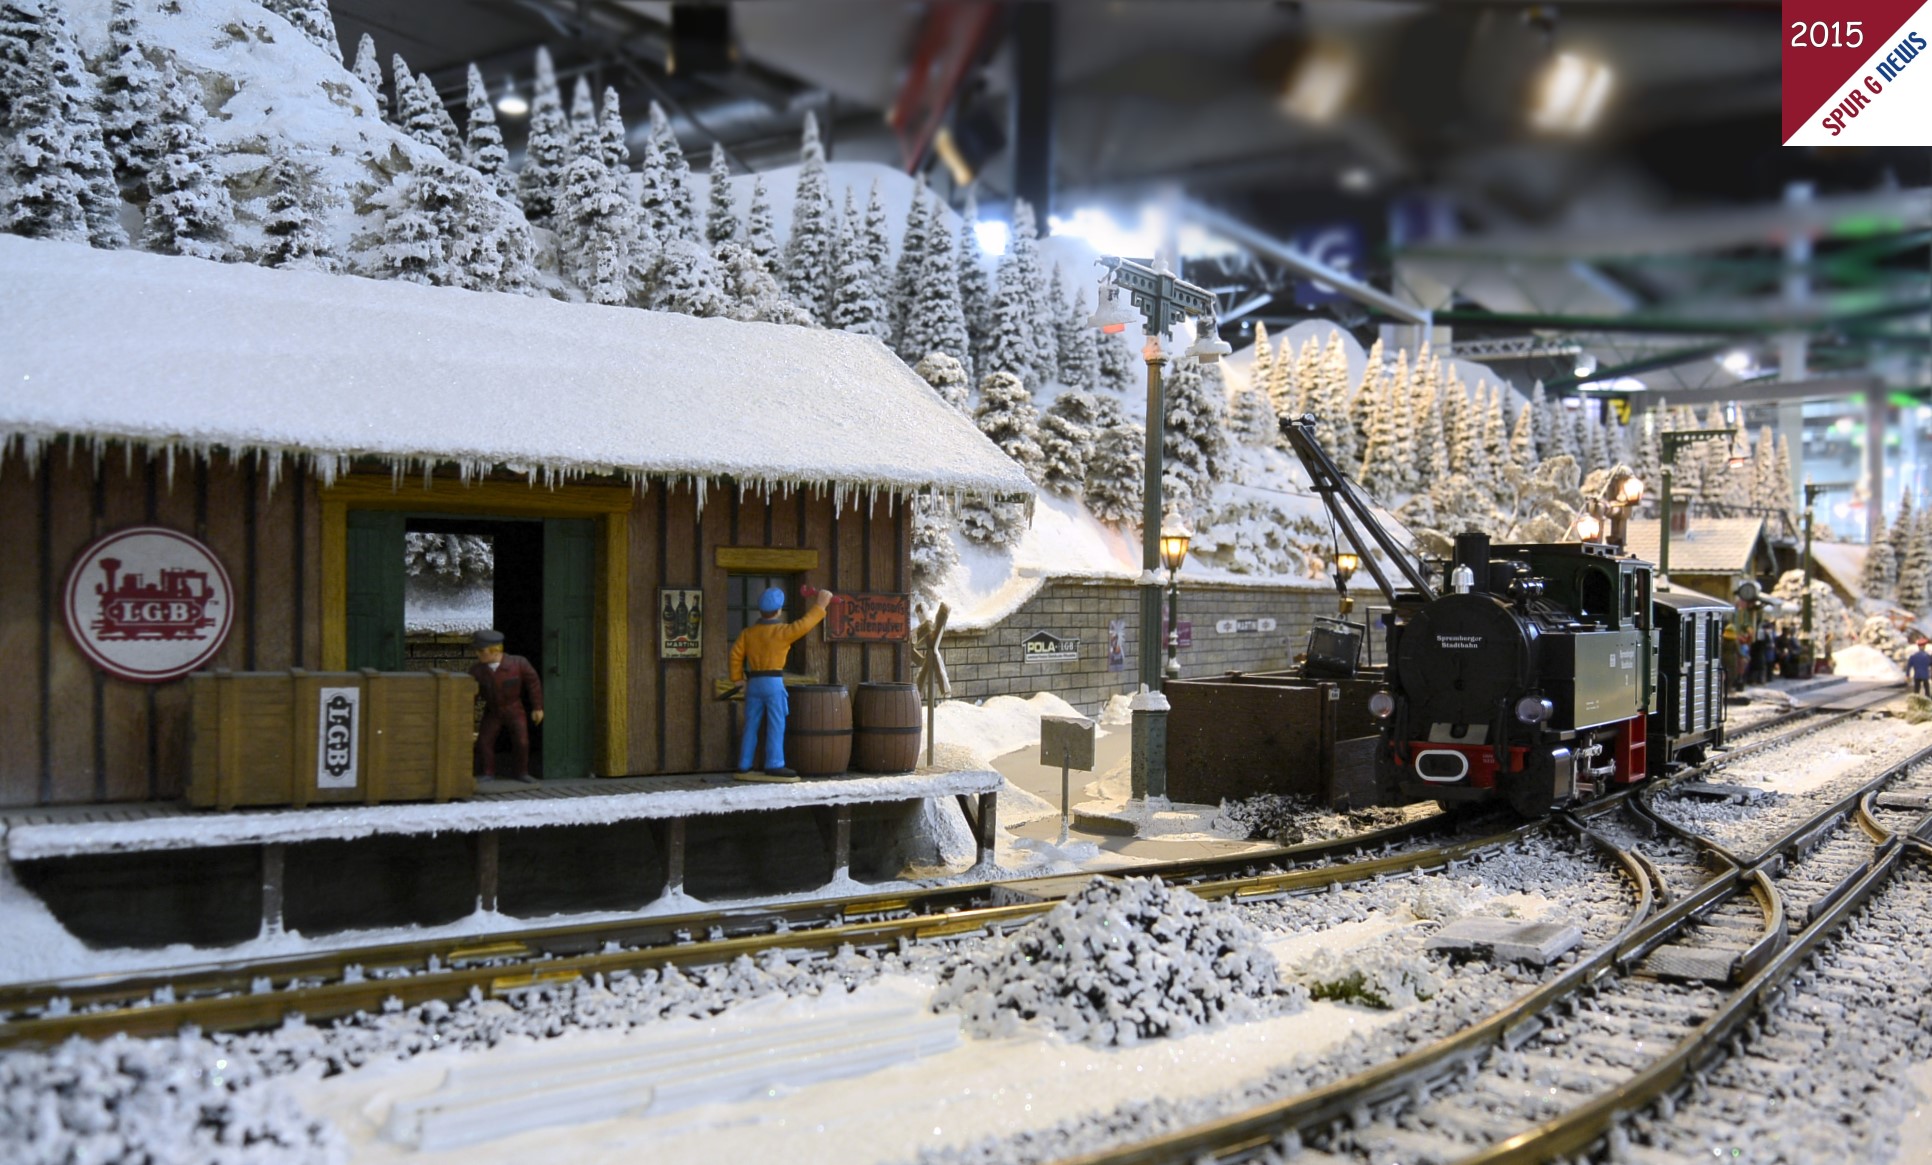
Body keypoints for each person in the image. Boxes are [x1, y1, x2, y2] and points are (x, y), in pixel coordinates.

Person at [729, 586, 834, 781]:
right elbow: (805, 624)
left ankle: (744, 764)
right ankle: (774, 763)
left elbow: (735, 655)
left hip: (754, 683)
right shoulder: (782, 631)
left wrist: (737, 678)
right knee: (776, 723)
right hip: (773, 682)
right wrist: (820, 605)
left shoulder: (748, 633)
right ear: (779, 611)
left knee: (751, 724)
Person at [470, 629, 543, 783]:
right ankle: (488, 772)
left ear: (495, 651)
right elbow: (472, 694)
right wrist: (466, 715)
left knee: (522, 741)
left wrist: (537, 707)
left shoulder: (518, 664)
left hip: (514, 710)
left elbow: (533, 683)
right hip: (493, 711)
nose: (478, 654)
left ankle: (522, 772)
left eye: (481, 651)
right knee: (484, 741)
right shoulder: (477, 671)